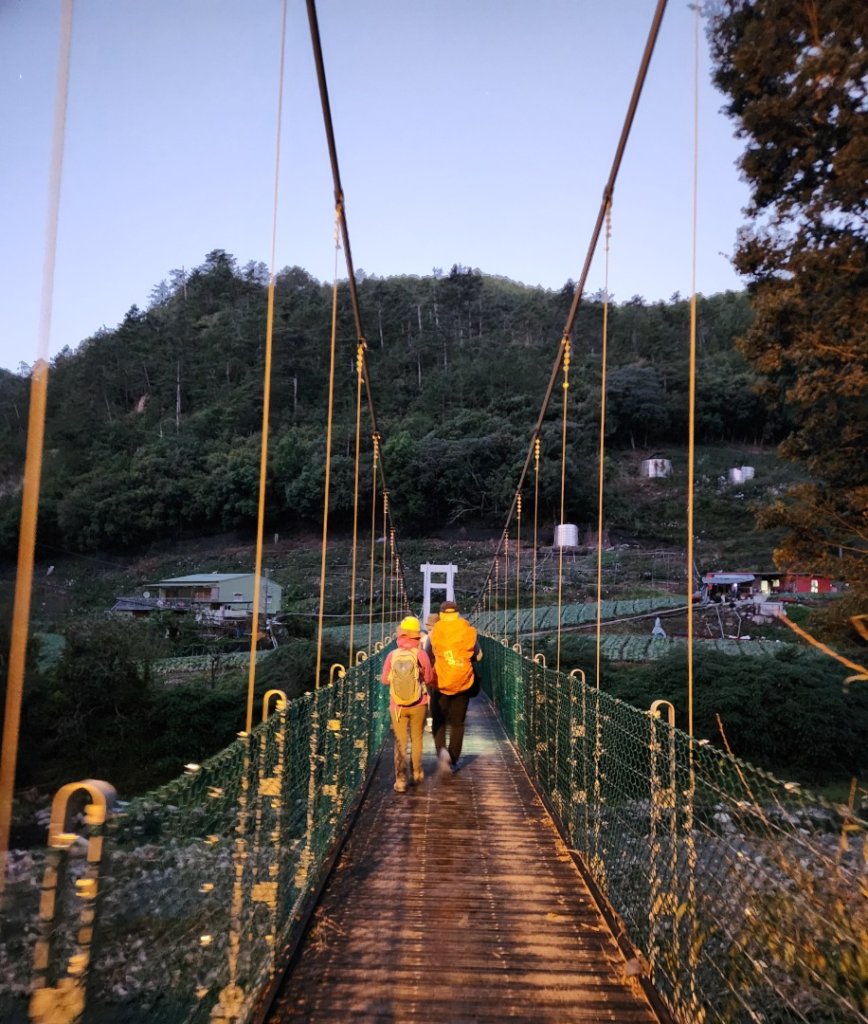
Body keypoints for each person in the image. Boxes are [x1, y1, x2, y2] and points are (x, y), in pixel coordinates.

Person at [381, 616, 434, 793]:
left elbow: (384, 680)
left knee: (400, 742)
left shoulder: (392, 655)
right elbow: (429, 678)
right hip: (419, 703)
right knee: (417, 738)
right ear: (417, 635)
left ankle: (401, 780)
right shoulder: (421, 654)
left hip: (397, 706)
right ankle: (417, 772)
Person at [427, 600, 481, 772]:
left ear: (442, 614)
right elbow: (479, 657)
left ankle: (441, 751)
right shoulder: (467, 630)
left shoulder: (435, 631)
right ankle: (454, 758)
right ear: (457, 613)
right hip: (463, 682)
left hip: (440, 683)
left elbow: (428, 654)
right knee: (458, 723)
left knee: (439, 721)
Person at [421, 612, 439, 733]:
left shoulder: (426, 637)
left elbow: (425, 655)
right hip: (445, 671)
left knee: (430, 696)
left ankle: (431, 722)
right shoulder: (446, 635)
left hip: (431, 671)